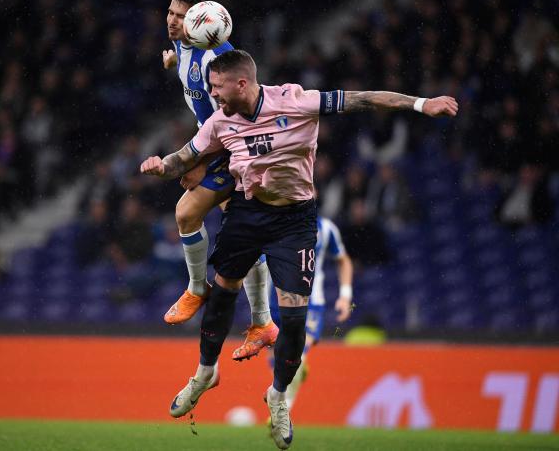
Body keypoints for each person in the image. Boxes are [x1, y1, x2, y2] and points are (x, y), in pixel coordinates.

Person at [140, 49, 458, 449]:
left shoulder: (297, 101)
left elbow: (365, 98)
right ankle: (204, 374)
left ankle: (277, 397)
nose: (213, 95)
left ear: (242, 83)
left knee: (293, 321)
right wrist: (160, 166)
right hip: (248, 214)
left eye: (218, 87)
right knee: (222, 292)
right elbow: (184, 158)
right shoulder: (220, 122)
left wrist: (421, 103)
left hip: (294, 221)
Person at [161, 0, 277, 361]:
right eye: (172, 13)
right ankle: (261, 321)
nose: (173, 22)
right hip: (215, 147)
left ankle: (201, 290)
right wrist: (173, 62)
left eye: (182, 16)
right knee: (241, 237)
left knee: (187, 213)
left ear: (200, 20)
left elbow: (237, 126)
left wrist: (203, 166)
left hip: (237, 153)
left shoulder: (219, 62)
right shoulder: (184, 45)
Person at [268, 215, 354, 411]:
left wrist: (345, 296)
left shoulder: (326, 228)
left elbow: (343, 260)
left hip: (311, 302)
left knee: (298, 353)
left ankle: (283, 410)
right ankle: (291, 374)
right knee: (278, 358)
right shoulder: (273, 221)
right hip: (276, 301)